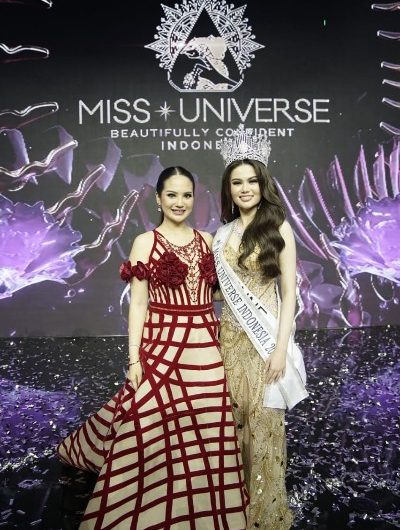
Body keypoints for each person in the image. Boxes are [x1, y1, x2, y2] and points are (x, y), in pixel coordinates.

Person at [57, 166, 249, 529]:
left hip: (205, 342)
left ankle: (205, 503)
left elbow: (215, 293)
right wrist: (134, 359)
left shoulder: (207, 240)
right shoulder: (145, 242)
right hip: (162, 342)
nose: (180, 202)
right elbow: (139, 304)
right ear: (159, 199)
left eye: (187, 195)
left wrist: (255, 287)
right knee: (149, 416)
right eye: (172, 195)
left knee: (209, 417)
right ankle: (151, 497)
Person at [213, 126, 308, 530]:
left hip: (265, 339)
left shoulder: (278, 226)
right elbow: (221, 290)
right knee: (233, 425)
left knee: (264, 425)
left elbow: (289, 293)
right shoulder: (222, 233)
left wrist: (280, 349)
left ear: (262, 183)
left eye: (252, 181)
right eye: (237, 182)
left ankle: (266, 513)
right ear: (228, 189)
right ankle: (235, 509)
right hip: (228, 340)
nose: (245, 189)